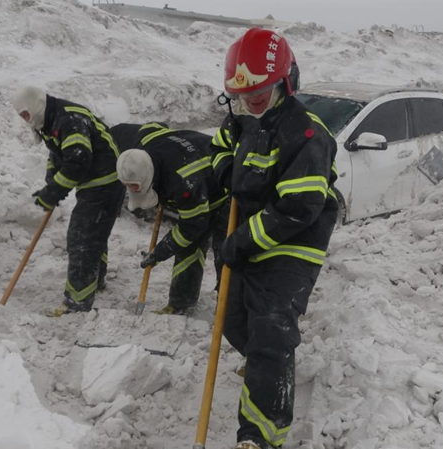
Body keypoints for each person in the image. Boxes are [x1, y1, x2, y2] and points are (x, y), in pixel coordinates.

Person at [210, 29, 339, 449]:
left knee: (271, 328)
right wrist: (224, 168)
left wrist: (241, 242)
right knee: (232, 318)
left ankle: (260, 435)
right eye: (243, 93)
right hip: (249, 233)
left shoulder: (306, 133)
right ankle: (264, 368)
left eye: (260, 90)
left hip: (293, 241)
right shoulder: (242, 118)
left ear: (285, 82)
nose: (252, 99)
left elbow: (297, 209)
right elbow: (220, 146)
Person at [12, 86, 125, 317]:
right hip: (97, 181)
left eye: (26, 114)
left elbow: (78, 161)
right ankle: (94, 280)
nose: (26, 120)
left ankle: (77, 301)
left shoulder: (69, 119)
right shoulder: (50, 119)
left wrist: (53, 192)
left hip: (105, 181)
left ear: (35, 104)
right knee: (93, 233)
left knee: (82, 237)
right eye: (22, 116)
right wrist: (51, 184)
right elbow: (57, 154)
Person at [112, 122, 228, 315]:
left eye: (134, 186)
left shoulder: (184, 183)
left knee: (226, 253)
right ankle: (181, 304)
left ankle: (229, 311)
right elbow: (155, 126)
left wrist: (159, 252)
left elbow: (191, 228)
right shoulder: (143, 145)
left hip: (226, 191)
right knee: (188, 248)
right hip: (195, 177)